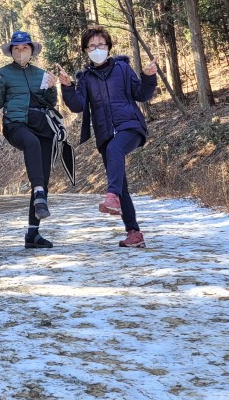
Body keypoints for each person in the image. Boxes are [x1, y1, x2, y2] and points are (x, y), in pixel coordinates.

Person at [60, 26, 159, 248]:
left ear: (108, 47)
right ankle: (134, 233)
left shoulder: (123, 68)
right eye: (92, 46)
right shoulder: (85, 78)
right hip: (105, 134)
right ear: (86, 50)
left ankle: (111, 196)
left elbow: (141, 94)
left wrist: (148, 77)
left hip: (131, 126)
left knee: (116, 153)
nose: (97, 49)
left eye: (101, 45)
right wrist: (67, 86)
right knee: (121, 183)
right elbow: (77, 105)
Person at [0, 30, 60, 249]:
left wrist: (51, 88)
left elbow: (50, 103)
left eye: (25, 48)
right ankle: (38, 190)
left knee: (43, 176)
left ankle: (33, 233)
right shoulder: (3, 73)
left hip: (41, 124)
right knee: (32, 144)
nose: (21, 52)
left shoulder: (40, 73)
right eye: (17, 48)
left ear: (32, 51)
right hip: (16, 125)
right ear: (11, 51)